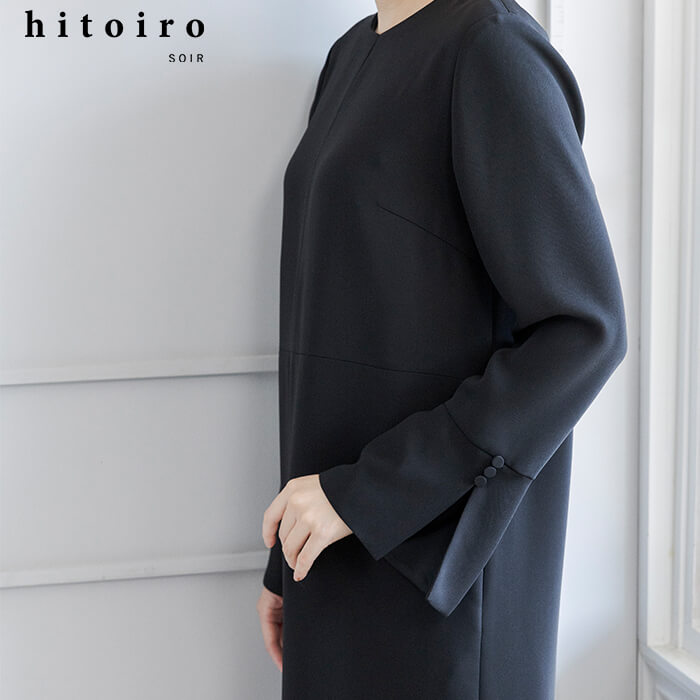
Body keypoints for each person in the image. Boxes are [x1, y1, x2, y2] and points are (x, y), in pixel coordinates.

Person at [257, 0, 628, 697]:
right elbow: (338, 327)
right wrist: (291, 562)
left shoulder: (491, 49)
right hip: (335, 546)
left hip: (440, 575)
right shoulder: (351, 53)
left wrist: (369, 494)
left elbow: (582, 330)